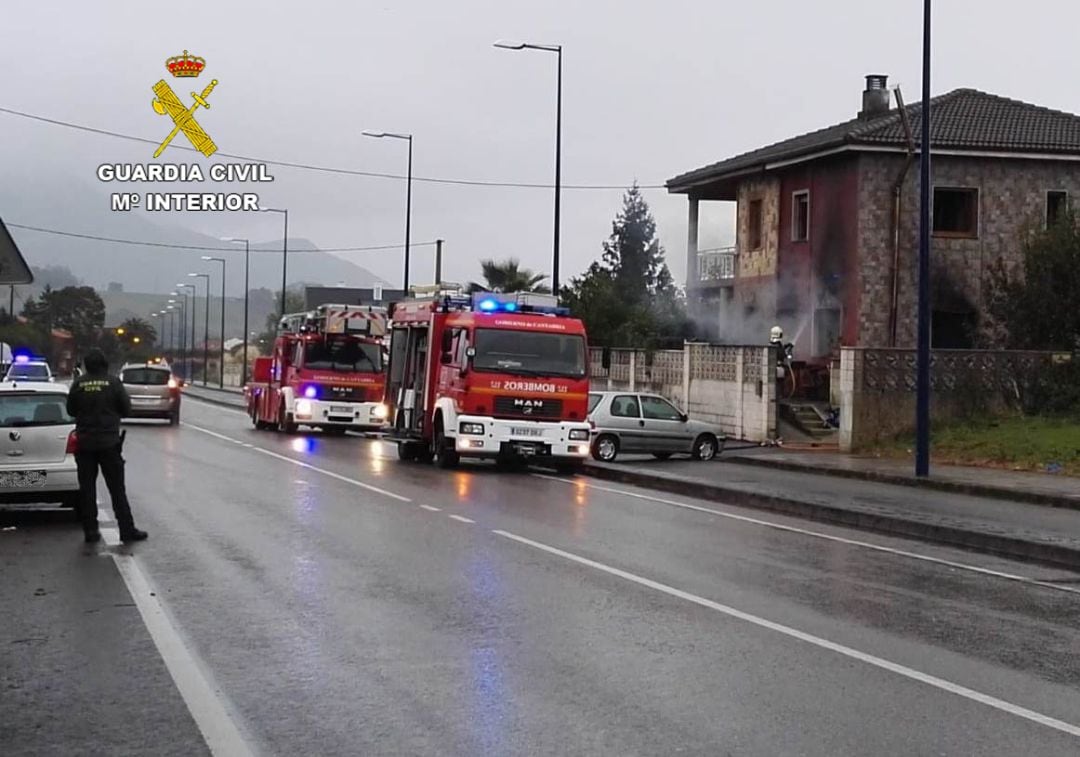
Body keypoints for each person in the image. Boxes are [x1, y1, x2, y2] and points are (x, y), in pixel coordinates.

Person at [65, 349, 147, 544]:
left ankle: (91, 531)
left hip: (84, 444)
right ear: (105, 364)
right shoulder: (113, 383)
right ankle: (127, 530)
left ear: (86, 365)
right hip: (109, 443)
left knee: (87, 490)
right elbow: (127, 409)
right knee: (117, 489)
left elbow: (70, 409)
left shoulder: (78, 384)